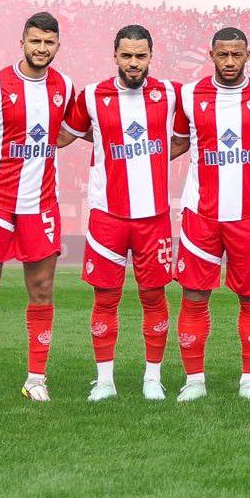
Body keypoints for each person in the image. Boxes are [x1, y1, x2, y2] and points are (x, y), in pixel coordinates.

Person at [59, 25, 198, 402]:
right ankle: (105, 380)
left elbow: (209, 105)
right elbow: (63, 134)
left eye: (140, 56)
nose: (133, 63)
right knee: (106, 298)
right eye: (126, 56)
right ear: (115, 56)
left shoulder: (172, 93)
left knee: (154, 297)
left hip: (154, 217)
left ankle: (153, 378)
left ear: (151, 56)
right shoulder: (92, 95)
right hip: (107, 216)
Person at [0, 12, 75, 404]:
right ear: (21, 43)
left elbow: (67, 133)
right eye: (35, 41)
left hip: (39, 205)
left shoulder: (64, 86)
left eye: (48, 42)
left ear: (57, 46)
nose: (41, 48)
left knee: (42, 289)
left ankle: (36, 379)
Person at [172, 27, 250, 402]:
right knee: (194, 296)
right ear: (211, 55)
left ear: (248, 56)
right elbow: (176, 142)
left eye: (236, 55)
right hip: (200, 215)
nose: (229, 62)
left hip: (249, 215)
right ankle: (194, 381)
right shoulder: (189, 95)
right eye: (222, 55)